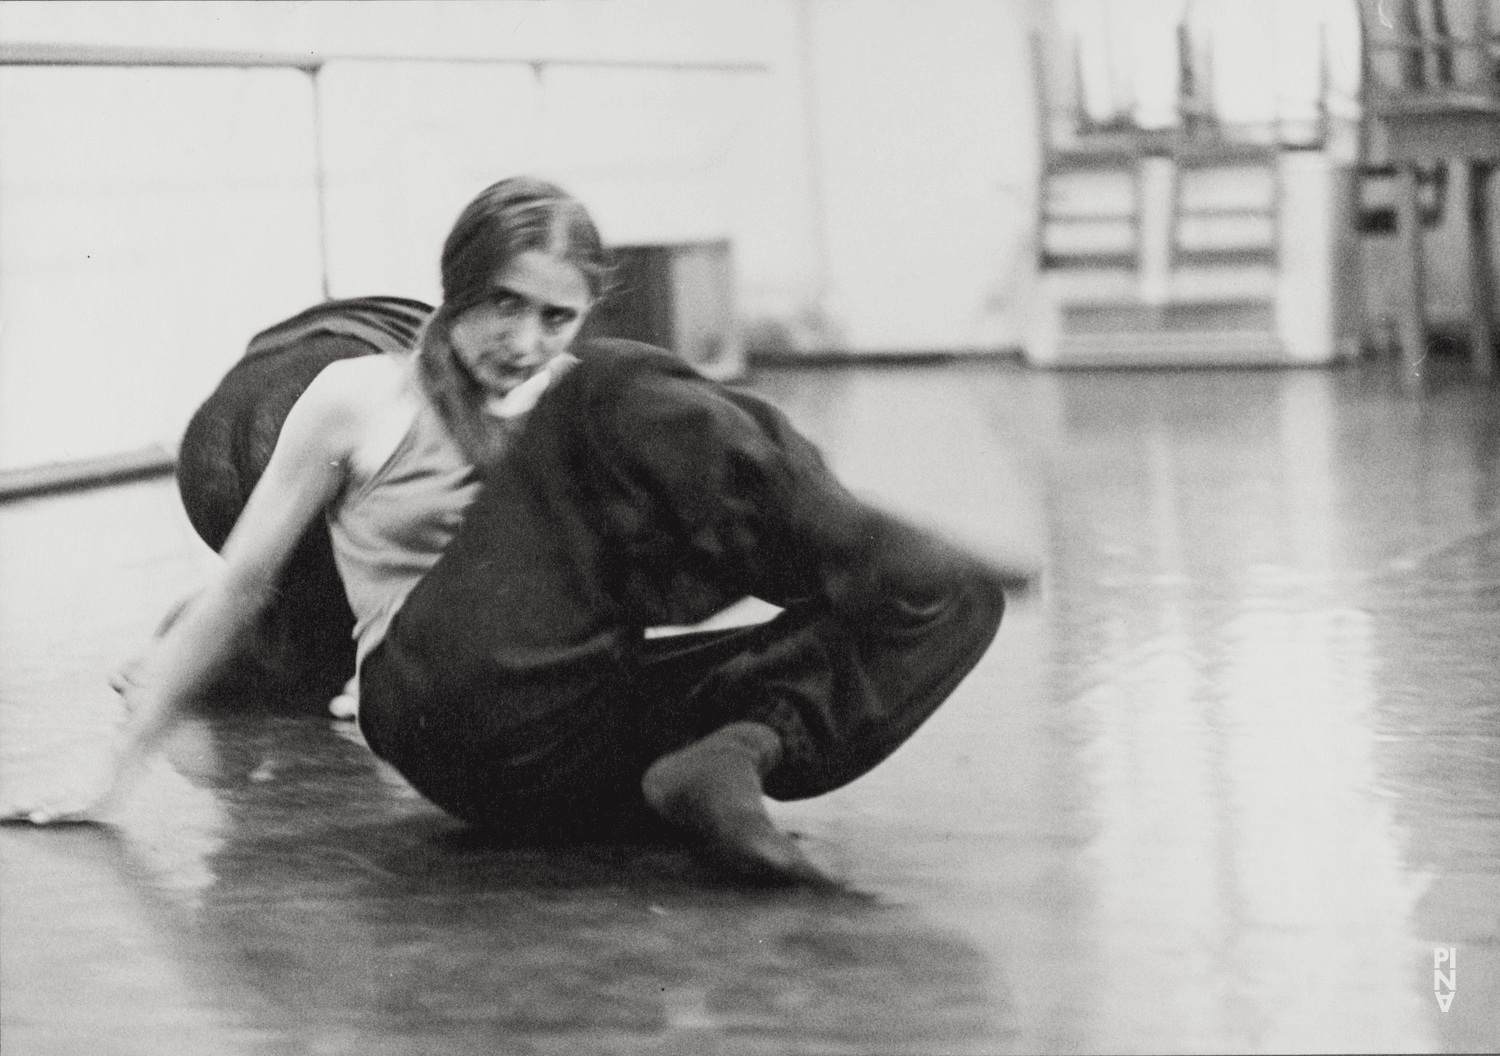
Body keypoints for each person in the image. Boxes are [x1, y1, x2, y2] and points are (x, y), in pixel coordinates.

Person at [22, 177, 1030, 884]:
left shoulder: (581, 405)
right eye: (503, 305)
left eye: (556, 318)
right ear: (458, 290)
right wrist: (113, 770)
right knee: (628, 385)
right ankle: (860, 537)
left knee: (949, 600)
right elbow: (240, 587)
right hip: (432, 704)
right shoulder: (360, 398)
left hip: (559, 739)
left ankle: (732, 755)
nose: (525, 342)